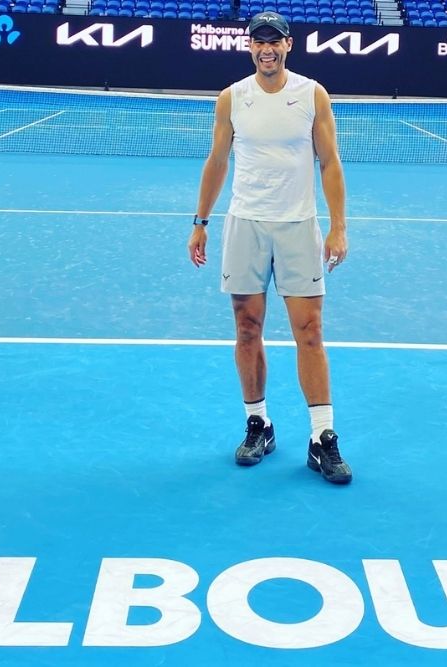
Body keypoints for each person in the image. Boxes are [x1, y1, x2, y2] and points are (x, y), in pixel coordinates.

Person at [187, 11, 353, 485]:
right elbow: (217, 160)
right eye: (258, 41)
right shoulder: (232, 98)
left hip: (299, 225)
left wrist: (338, 227)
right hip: (245, 224)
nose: (266, 49)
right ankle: (258, 424)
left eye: (274, 41)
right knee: (247, 328)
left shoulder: (311, 94)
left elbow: (330, 163)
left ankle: (323, 437)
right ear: (249, 47)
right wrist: (200, 222)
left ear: (287, 45)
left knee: (310, 330)